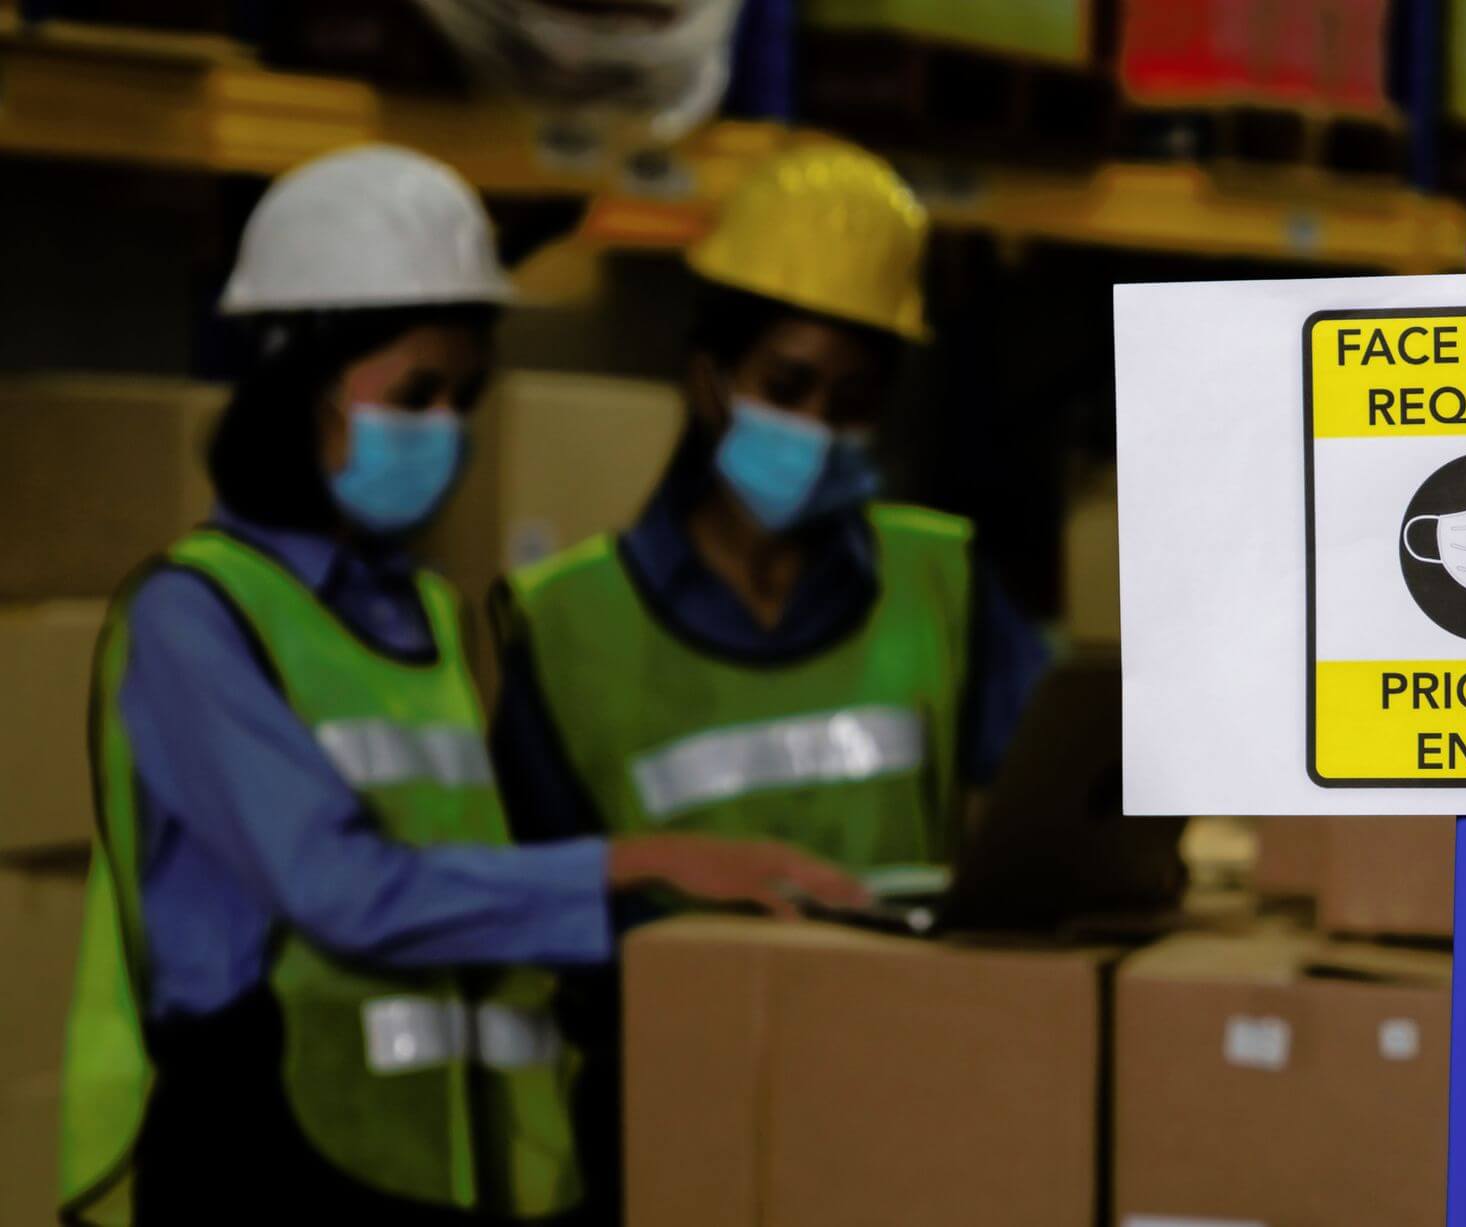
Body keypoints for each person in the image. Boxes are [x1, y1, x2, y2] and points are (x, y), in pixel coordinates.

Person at [57, 144, 865, 1227]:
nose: (444, 431)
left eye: (466, 398)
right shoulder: (192, 619)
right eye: (415, 393)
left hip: (425, 1156)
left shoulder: (428, 615)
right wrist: (639, 863)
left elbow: (465, 866)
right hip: (262, 1153)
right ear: (299, 383)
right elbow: (341, 891)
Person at [492, 142, 1049, 872]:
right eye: (787, 387)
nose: (816, 425)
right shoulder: (567, 621)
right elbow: (535, 899)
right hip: (669, 992)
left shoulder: (944, 582)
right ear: (709, 382)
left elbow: (1051, 816)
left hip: (901, 988)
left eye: (851, 401)